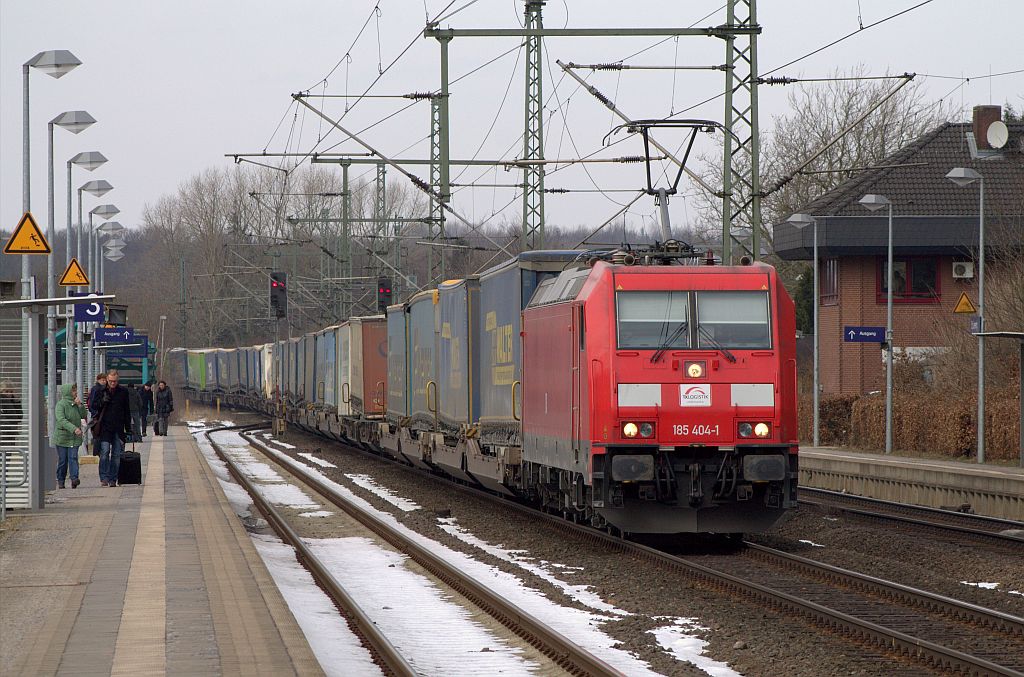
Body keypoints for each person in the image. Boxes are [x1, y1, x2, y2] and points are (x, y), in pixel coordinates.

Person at [96, 370, 132, 487]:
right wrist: (102, 401)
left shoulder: (123, 392)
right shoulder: (101, 391)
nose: (113, 383)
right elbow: (93, 407)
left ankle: (113, 478)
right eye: (111, 381)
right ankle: (104, 477)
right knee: (105, 452)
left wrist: (129, 428)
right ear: (107, 379)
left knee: (117, 454)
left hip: (118, 427)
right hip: (105, 427)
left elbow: (127, 410)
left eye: (115, 381)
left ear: (118, 380)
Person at [53, 383, 87, 489]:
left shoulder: (76, 404)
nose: (75, 392)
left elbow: (83, 415)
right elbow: (61, 419)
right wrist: (74, 428)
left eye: (75, 390)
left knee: (73, 457)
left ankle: (74, 478)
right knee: (63, 460)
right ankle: (61, 479)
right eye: (73, 391)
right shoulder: (61, 405)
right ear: (68, 392)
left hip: (74, 438)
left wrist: (80, 405)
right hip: (62, 437)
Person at [87, 373, 107, 457]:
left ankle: (97, 453)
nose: (104, 382)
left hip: (97, 415)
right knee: (98, 435)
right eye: (103, 380)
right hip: (98, 416)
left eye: (105, 380)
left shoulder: (98, 389)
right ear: (98, 380)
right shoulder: (97, 389)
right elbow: (92, 403)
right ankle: (96, 454)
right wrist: (95, 413)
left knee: (98, 435)